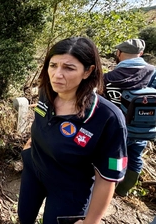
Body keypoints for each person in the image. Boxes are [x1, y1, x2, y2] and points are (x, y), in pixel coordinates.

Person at [18, 37, 128, 224]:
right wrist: (29, 147)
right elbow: (40, 122)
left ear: (88, 71)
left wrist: (91, 221)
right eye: (53, 65)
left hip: (69, 190)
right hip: (34, 171)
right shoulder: (46, 92)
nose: (57, 75)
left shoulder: (108, 118)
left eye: (68, 68)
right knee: (24, 217)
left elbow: (108, 177)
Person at [103, 38, 155, 196]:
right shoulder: (153, 72)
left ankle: (108, 186)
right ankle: (124, 189)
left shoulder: (110, 76)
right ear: (141, 53)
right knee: (135, 157)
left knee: (114, 157)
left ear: (119, 53)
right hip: (145, 129)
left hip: (118, 130)